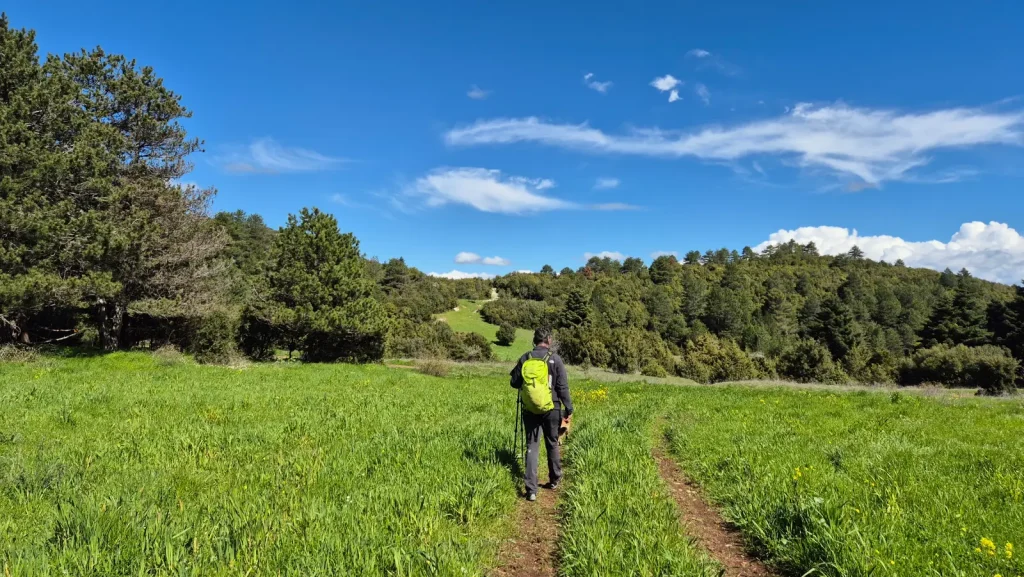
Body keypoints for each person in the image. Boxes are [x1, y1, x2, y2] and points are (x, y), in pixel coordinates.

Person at [510, 327, 573, 501]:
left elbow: (514, 382)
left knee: (532, 445)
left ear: (534, 340)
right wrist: (568, 407)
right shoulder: (555, 359)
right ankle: (554, 479)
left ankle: (531, 490)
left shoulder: (525, 357)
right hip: (552, 408)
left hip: (530, 408)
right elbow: (562, 387)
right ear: (549, 340)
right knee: (552, 443)